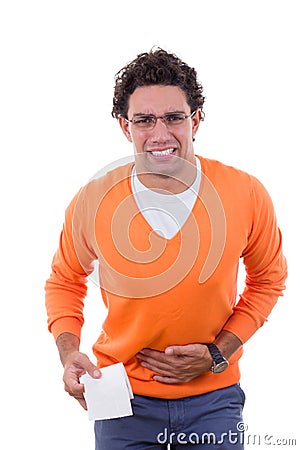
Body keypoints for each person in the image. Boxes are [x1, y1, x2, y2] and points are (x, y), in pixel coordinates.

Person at [45, 48, 287, 449]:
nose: (160, 134)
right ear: (126, 126)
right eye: (144, 120)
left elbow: (269, 281)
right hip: (120, 398)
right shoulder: (93, 200)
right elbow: (65, 280)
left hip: (214, 398)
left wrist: (218, 352)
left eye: (174, 117)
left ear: (196, 120)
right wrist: (68, 353)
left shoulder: (245, 193)